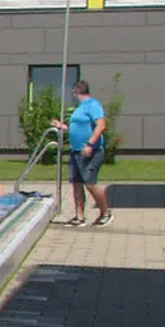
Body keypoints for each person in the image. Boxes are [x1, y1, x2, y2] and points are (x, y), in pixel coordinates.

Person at [50, 81, 113, 227]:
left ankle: (105, 212)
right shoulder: (80, 109)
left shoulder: (93, 105)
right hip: (76, 151)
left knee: (90, 183)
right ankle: (79, 216)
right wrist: (62, 127)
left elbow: (101, 125)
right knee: (76, 183)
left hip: (91, 151)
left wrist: (90, 144)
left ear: (76, 92)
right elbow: (76, 128)